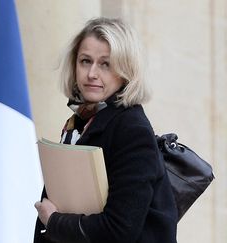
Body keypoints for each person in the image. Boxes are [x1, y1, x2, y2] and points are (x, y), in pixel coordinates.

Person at [33, 17, 178, 243]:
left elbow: (120, 229)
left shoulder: (132, 130)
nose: (92, 73)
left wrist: (54, 222)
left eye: (105, 64)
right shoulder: (81, 121)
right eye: (85, 61)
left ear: (126, 71)